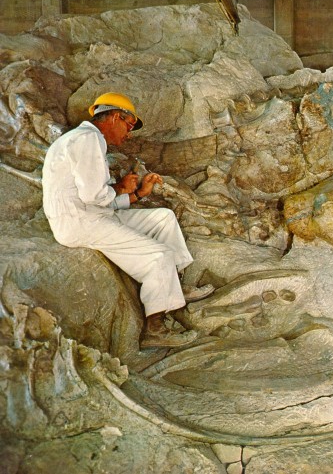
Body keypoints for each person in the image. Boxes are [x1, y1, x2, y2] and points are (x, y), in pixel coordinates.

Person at [42, 92, 213, 349]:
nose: (129, 134)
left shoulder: (85, 139)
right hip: (80, 223)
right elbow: (94, 196)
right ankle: (155, 329)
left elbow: (97, 198)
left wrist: (137, 194)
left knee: (163, 218)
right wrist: (121, 187)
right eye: (129, 125)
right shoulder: (88, 139)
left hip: (90, 215)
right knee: (159, 255)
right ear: (114, 117)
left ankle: (173, 286)